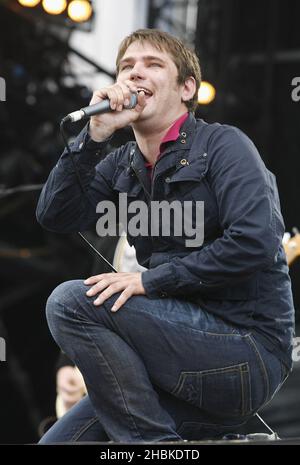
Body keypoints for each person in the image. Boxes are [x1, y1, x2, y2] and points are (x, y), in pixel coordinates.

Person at [36, 28, 294, 443]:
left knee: (69, 302)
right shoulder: (122, 162)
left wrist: (148, 282)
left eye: (152, 65)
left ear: (187, 87)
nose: (135, 74)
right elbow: (55, 214)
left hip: (247, 350)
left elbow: (255, 242)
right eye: (126, 67)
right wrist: (95, 134)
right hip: (171, 361)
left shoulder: (225, 146)